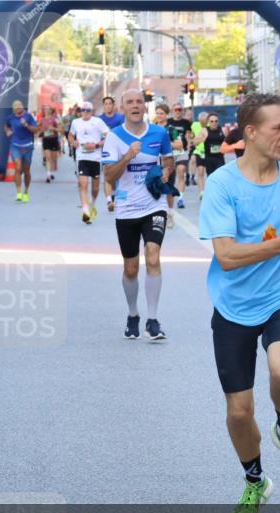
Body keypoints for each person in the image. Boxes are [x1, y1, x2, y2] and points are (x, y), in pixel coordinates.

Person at [198, 93, 280, 513]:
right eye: (278, 128)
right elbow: (228, 255)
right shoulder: (222, 184)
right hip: (234, 305)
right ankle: (255, 479)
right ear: (249, 133)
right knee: (238, 411)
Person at [100, 90, 174, 340]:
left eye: (139, 102)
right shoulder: (114, 137)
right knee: (131, 268)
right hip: (126, 208)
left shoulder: (159, 133)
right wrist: (128, 156)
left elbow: (169, 159)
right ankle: (133, 314)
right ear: (122, 107)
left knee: (153, 257)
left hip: (154, 204)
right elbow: (109, 176)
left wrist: (165, 172)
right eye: (130, 102)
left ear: (145, 106)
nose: (135, 105)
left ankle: (153, 319)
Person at [68, 100, 109, 223]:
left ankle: (93, 204)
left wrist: (96, 145)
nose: (85, 112)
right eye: (83, 110)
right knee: (83, 184)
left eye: (87, 110)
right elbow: (70, 135)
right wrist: (72, 142)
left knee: (95, 188)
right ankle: (85, 211)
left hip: (95, 158)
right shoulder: (76, 122)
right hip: (82, 157)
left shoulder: (98, 122)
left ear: (92, 111)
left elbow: (108, 136)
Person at [4, 100, 40, 202]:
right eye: (16, 106)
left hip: (28, 145)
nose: (19, 107)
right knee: (18, 168)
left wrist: (26, 125)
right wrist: (8, 131)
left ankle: (26, 192)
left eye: (20, 105)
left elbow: (35, 130)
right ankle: (18, 192)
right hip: (15, 145)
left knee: (26, 170)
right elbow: (6, 126)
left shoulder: (28, 116)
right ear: (13, 108)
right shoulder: (10, 118)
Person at [97, 96, 125, 212]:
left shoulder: (120, 118)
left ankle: (120, 201)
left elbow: (124, 132)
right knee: (108, 176)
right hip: (106, 151)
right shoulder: (99, 119)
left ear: (113, 105)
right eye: (106, 104)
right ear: (103, 106)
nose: (108, 106)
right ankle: (109, 200)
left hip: (119, 149)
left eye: (110, 104)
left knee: (121, 176)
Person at [164, 103, 192, 209]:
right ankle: (167, 199)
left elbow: (188, 136)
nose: (178, 111)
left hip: (181, 150)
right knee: (170, 176)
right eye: (176, 109)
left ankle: (180, 198)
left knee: (181, 171)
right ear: (172, 110)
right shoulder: (169, 122)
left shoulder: (186, 122)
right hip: (170, 151)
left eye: (180, 109)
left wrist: (189, 146)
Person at [193, 113, 227, 180]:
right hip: (209, 159)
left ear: (218, 121)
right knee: (211, 178)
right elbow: (194, 142)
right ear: (209, 122)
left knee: (220, 177)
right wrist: (202, 139)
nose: (214, 123)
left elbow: (229, 141)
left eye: (216, 121)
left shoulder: (223, 130)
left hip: (220, 158)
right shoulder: (205, 131)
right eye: (212, 121)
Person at [39, 104, 61, 182]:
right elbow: (37, 129)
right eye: (45, 109)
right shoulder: (41, 120)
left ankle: (51, 172)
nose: (47, 110)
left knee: (53, 159)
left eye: (48, 109)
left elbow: (60, 129)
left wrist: (53, 128)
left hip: (54, 139)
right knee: (48, 158)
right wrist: (40, 131)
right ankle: (48, 175)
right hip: (46, 140)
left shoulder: (55, 119)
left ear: (51, 110)